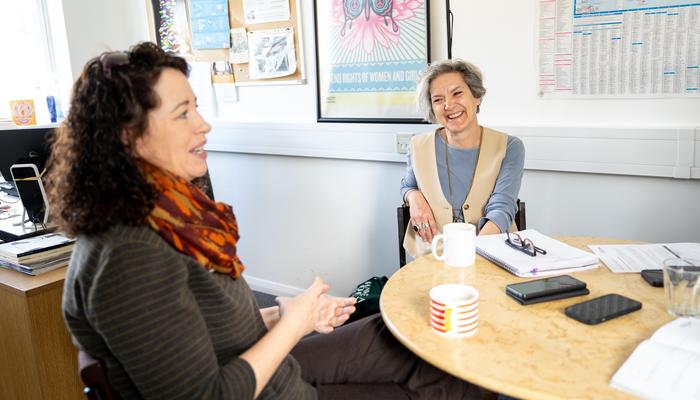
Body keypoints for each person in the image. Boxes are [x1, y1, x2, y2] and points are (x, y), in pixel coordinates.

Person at [49, 42, 494, 399]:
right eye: (183, 113)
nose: (204, 124)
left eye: (197, 107)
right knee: (451, 382)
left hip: (270, 367)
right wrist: (295, 325)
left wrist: (281, 315)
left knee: (413, 340)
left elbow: (205, 333)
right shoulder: (129, 256)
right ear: (127, 135)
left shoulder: (170, 220)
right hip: (274, 388)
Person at [400, 59, 525, 257]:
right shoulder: (417, 145)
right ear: (432, 108)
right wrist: (413, 197)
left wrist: (470, 255)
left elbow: (502, 208)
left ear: (476, 96)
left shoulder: (510, 147)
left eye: (457, 93)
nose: (449, 105)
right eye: (438, 99)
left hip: (493, 255)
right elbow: (407, 185)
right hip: (431, 258)